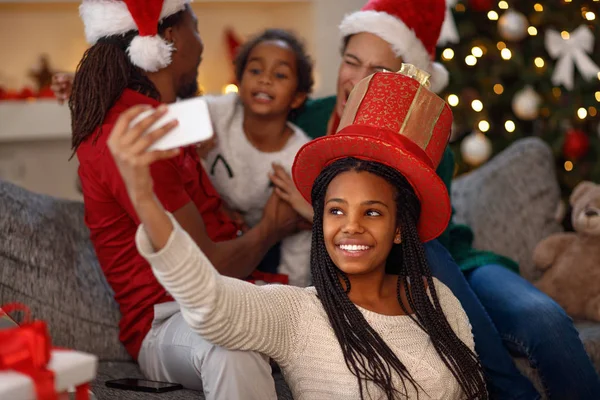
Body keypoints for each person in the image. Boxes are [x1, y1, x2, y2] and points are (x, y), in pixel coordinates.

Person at [106, 66, 488, 400]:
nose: (350, 225)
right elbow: (210, 303)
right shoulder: (299, 314)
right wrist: (144, 197)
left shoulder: (438, 298)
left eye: (372, 212)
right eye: (336, 210)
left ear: (400, 228)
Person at [286, 0, 600, 398]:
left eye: (379, 71)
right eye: (352, 61)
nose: (357, 79)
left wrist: (310, 211)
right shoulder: (305, 123)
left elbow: (423, 224)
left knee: (545, 320)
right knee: (424, 246)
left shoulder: (425, 136)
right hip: (404, 267)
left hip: (457, 262)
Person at [70, 1, 299, 399]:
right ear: (171, 36)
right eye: (196, 28)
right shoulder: (137, 133)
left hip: (230, 295)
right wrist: (270, 230)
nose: (202, 44)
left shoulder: (155, 117)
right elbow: (203, 265)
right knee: (233, 347)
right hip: (170, 320)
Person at [202, 29, 314, 287]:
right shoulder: (218, 115)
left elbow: (298, 236)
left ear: (297, 97)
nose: (265, 80)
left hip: (265, 249)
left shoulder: (298, 157)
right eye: (255, 70)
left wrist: (289, 293)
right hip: (209, 233)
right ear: (239, 81)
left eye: (280, 75)